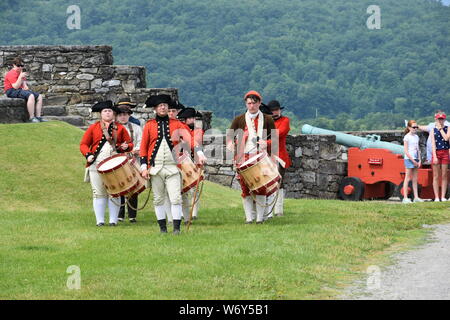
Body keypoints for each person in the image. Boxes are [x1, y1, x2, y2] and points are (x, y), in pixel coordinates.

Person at [139, 94, 196, 235]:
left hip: (173, 167)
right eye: (160, 106)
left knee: (176, 198)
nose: (163, 107)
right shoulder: (149, 125)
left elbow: (190, 140)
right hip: (155, 168)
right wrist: (143, 167)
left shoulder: (177, 124)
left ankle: (176, 229)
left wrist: (199, 154)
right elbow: (143, 147)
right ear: (155, 109)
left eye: (165, 105)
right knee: (158, 199)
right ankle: (163, 229)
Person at [80, 101, 133, 226]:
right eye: (105, 111)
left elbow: (130, 144)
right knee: (98, 193)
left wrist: (125, 147)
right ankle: (100, 221)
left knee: (115, 192)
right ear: (100, 114)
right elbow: (83, 144)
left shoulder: (120, 128)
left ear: (113, 114)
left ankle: (113, 221)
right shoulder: (93, 127)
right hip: (96, 164)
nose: (107, 113)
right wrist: (88, 155)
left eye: (109, 111)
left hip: (115, 166)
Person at [226, 90, 276, 224]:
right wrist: (230, 143)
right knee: (245, 188)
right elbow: (230, 136)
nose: (251, 106)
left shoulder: (268, 119)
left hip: (261, 157)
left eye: (254, 103)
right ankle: (249, 218)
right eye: (249, 103)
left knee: (261, 187)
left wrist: (268, 143)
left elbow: (275, 139)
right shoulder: (238, 119)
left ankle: (260, 218)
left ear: (259, 103)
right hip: (243, 158)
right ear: (246, 104)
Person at [177, 107, 206, 222]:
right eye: (190, 118)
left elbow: (195, 141)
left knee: (194, 188)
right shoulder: (180, 130)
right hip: (182, 161)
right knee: (181, 188)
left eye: (193, 117)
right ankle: (182, 212)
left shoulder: (198, 130)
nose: (192, 120)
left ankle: (194, 212)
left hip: (195, 161)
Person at [116, 104, 143, 223]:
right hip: (117, 162)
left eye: (125, 115)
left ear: (129, 115)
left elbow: (141, 143)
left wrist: (132, 151)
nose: (122, 117)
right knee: (120, 187)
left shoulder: (136, 128)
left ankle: (132, 215)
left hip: (132, 161)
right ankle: (119, 215)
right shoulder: (112, 129)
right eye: (120, 115)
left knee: (133, 187)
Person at [266, 100, 292, 216]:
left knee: (279, 183)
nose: (275, 112)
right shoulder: (266, 121)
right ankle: (268, 209)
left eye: (276, 110)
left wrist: (264, 142)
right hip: (266, 156)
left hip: (280, 156)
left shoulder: (285, 120)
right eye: (272, 111)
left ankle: (278, 210)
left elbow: (278, 134)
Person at [4, 57, 45, 123]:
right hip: (11, 91)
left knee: (39, 96)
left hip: (19, 90)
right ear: (14, 65)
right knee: (31, 95)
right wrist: (20, 77)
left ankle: (38, 117)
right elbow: (15, 87)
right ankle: (31, 118)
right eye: (18, 65)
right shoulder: (11, 73)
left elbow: (24, 84)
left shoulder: (20, 72)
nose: (20, 67)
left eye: (22, 66)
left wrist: (25, 86)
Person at [402, 120, 423, 203]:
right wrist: (413, 160)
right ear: (409, 127)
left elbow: (418, 149)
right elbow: (406, 151)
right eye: (414, 127)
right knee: (407, 178)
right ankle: (405, 197)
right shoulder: (407, 137)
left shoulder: (416, 137)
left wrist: (419, 159)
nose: (415, 129)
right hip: (409, 159)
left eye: (416, 127)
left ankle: (416, 197)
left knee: (415, 178)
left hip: (415, 159)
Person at [430, 112, 450, 202]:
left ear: (444, 120)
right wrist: (434, 156)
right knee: (436, 175)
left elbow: (446, 138)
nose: (440, 120)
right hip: (437, 152)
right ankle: (437, 197)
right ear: (436, 119)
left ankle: (443, 196)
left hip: (445, 152)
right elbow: (433, 144)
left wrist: (441, 129)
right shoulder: (432, 130)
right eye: (439, 119)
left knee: (444, 175)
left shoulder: (447, 128)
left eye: (442, 119)